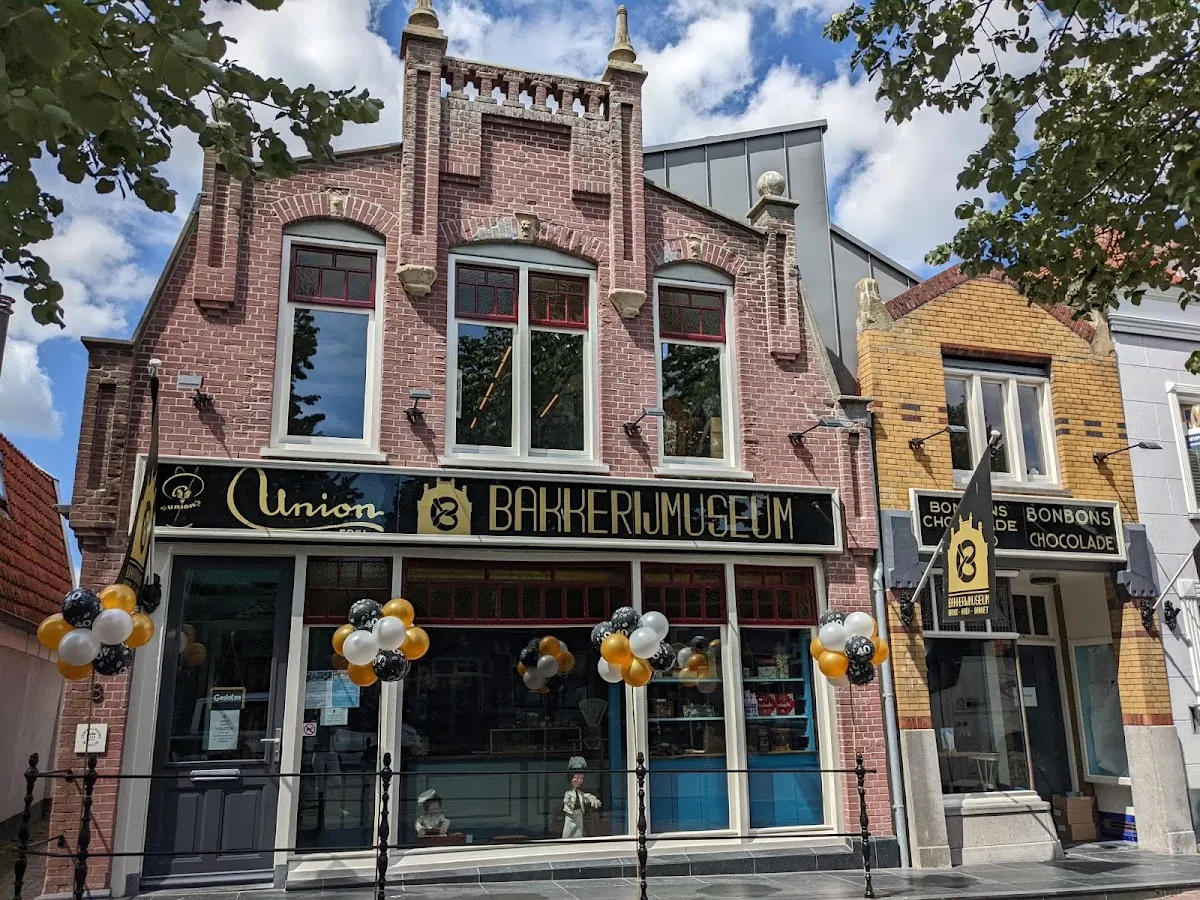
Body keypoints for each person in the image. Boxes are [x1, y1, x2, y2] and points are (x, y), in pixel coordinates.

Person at [562, 756, 601, 839]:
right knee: (568, 832)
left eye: (581, 778)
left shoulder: (580, 793)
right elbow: (566, 799)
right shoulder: (569, 793)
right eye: (576, 778)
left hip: (579, 815)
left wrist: (592, 798)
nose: (579, 781)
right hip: (570, 816)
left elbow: (586, 796)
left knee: (578, 832)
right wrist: (567, 801)